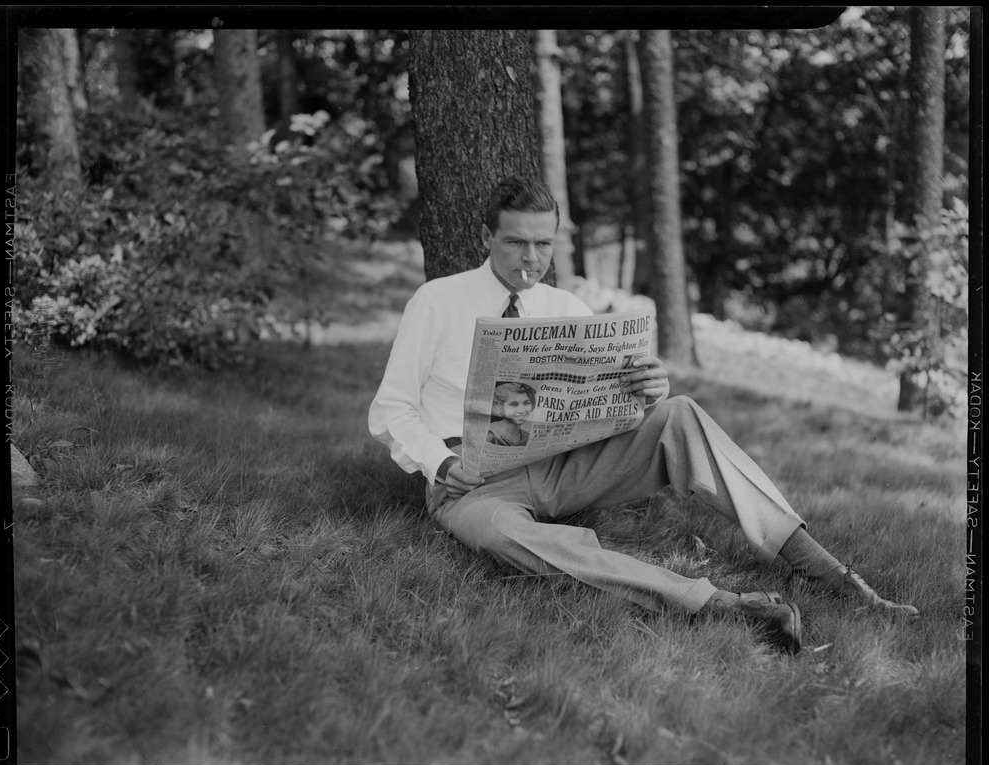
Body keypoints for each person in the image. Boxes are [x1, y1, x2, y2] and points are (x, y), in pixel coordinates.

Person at [369, 176, 919, 655]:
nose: (530, 258)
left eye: (543, 243)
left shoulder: (565, 308)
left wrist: (647, 388)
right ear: (486, 237)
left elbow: (606, 399)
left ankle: (827, 572)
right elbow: (390, 409)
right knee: (496, 534)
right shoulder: (437, 301)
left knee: (679, 413)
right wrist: (441, 465)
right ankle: (722, 605)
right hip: (474, 484)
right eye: (514, 242)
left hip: (566, 464)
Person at [486, 382, 535, 447]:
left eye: (526, 403)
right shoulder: (490, 433)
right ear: (499, 406)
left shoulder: (527, 436)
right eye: (514, 404)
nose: (522, 410)